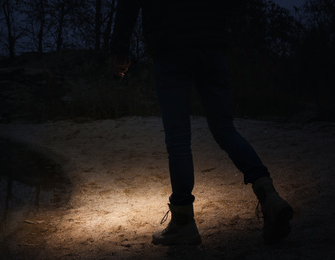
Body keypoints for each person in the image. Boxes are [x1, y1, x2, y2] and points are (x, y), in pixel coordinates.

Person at [111, 0, 293, 245]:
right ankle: (269, 195)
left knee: (178, 139)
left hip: (171, 45)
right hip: (210, 44)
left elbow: (128, 5)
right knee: (225, 129)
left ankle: (183, 222)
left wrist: (120, 49)